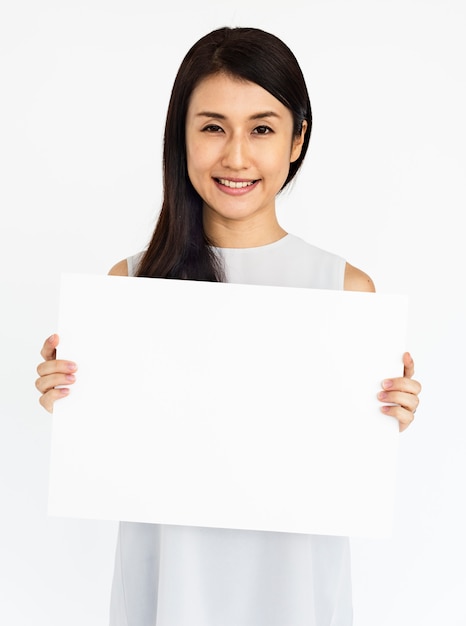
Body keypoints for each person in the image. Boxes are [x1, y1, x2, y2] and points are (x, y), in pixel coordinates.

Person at [35, 26, 421, 626]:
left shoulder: (346, 290)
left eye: (262, 128)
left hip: (296, 593)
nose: (236, 155)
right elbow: (115, 451)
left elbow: (341, 466)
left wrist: (384, 415)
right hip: (167, 588)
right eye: (213, 127)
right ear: (181, 139)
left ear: (297, 140)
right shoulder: (129, 285)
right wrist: (76, 399)